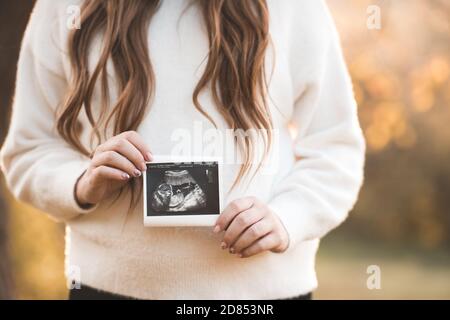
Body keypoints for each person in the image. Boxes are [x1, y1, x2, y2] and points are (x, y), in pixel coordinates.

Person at [0, 0, 365, 300]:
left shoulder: (295, 7)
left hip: (264, 296)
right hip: (110, 289)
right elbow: (28, 150)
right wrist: (82, 183)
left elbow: (336, 149)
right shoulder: (64, 8)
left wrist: (288, 216)